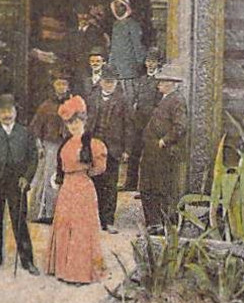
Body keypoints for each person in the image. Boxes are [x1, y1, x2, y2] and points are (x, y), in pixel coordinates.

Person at [0, 93, 39, 274]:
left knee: (20, 222)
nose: (7, 115)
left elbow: (33, 158)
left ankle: (27, 261)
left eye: (10, 111)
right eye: (3, 112)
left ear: (15, 112)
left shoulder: (25, 133)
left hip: (17, 184)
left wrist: (26, 178)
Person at [46, 95, 106, 284]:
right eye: (70, 123)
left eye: (77, 122)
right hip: (67, 188)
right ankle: (63, 269)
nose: (73, 126)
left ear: (84, 121)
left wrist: (83, 174)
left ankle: (80, 273)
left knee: (81, 227)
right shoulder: (65, 143)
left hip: (83, 188)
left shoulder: (93, 144)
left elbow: (100, 168)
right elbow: (61, 167)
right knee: (65, 224)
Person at [138, 61, 188, 230]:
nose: (159, 84)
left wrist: (164, 141)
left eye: (162, 81)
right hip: (152, 149)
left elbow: (180, 127)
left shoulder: (177, 101)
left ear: (172, 84)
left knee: (159, 187)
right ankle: (152, 222)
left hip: (162, 151)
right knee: (147, 186)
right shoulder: (165, 99)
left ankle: (159, 223)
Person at [86, 73, 131, 233]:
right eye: (106, 81)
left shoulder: (123, 100)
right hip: (94, 146)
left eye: (112, 82)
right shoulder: (92, 99)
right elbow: (85, 123)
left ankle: (109, 221)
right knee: (94, 183)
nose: (109, 84)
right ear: (101, 82)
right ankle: (94, 220)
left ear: (116, 82)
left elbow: (128, 126)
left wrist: (126, 149)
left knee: (110, 186)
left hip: (113, 148)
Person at [29, 70, 72, 224]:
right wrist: (40, 147)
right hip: (51, 145)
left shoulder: (72, 104)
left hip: (68, 145)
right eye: (58, 84)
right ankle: (48, 212)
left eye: (64, 84)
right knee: (50, 178)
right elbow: (35, 128)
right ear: (54, 86)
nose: (61, 87)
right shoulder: (46, 106)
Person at [126, 47, 163, 190]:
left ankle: (147, 186)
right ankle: (130, 184)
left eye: (153, 61)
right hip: (138, 121)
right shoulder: (140, 80)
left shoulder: (159, 81)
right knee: (134, 153)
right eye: (148, 61)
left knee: (150, 156)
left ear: (158, 63)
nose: (150, 64)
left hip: (152, 122)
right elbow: (135, 99)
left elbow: (159, 103)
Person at [107, 0, 144, 83]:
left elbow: (137, 44)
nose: (118, 8)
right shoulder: (116, 24)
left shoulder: (132, 24)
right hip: (116, 66)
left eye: (121, 6)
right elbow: (114, 46)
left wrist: (139, 62)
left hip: (129, 65)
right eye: (116, 6)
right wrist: (111, 62)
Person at [63, 6, 104, 76]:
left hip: (88, 69)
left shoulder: (97, 32)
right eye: (80, 14)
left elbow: (98, 50)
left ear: (89, 16)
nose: (83, 17)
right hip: (72, 69)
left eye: (85, 14)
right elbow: (67, 49)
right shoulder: (71, 32)